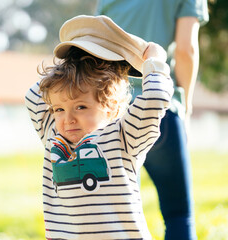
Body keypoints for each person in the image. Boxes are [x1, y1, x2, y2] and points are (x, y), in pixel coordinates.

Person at [25, 15, 173, 239]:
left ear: (111, 107)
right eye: (59, 109)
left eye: (81, 107)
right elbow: (35, 94)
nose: (68, 119)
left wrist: (153, 62)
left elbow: (154, 99)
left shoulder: (124, 137)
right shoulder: (53, 134)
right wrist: (77, 54)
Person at [95, 0, 209, 239]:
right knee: (178, 215)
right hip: (159, 107)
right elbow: (185, 50)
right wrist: (185, 106)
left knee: (118, 217)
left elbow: (95, 48)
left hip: (113, 111)